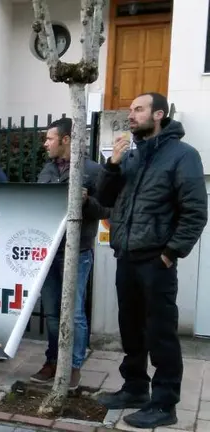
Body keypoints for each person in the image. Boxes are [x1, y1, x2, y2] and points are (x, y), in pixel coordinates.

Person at [95, 93, 207, 429]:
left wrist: (170, 253)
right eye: (130, 109)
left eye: (138, 109)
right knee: (131, 329)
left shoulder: (183, 156)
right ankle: (135, 389)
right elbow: (105, 198)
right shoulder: (132, 156)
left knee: (160, 333)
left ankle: (164, 404)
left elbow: (195, 212)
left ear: (158, 114)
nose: (131, 115)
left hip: (157, 261)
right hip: (127, 257)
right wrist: (112, 165)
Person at [30, 117, 109, 390]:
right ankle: (53, 361)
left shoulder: (93, 170)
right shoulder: (47, 169)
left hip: (78, 250)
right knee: (52, 312)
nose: (45, 144)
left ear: (65, 140)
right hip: (49, 250)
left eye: (49, 138)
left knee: (74, 313)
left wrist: (86, 201)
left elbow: (106, 210)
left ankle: (73, 366)